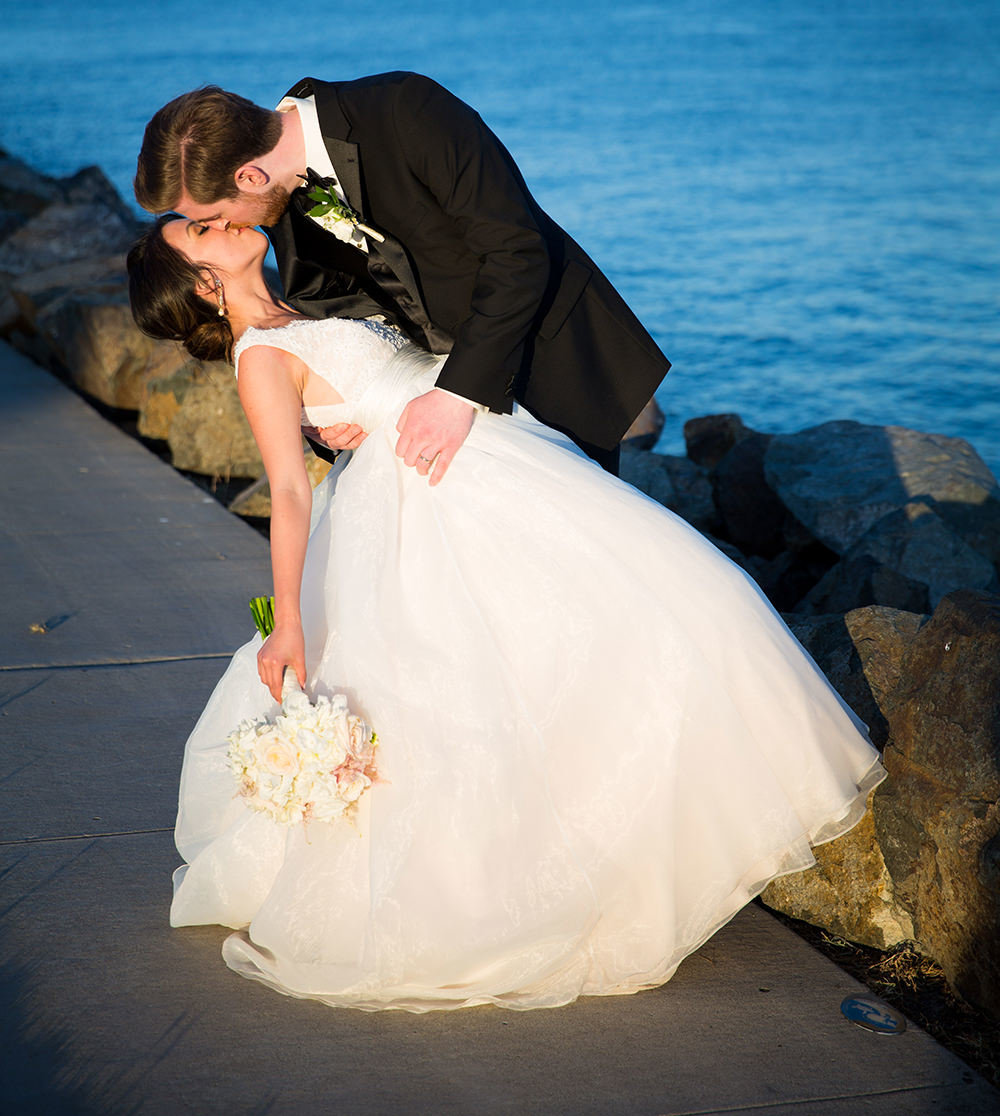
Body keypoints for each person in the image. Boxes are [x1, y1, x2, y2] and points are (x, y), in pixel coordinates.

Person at [126, 214, 886, 1014]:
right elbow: (285, 490)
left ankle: (642, 834)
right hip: (426, 507)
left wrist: (359, 417)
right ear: (204, 286)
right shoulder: (260, 357)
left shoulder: (297, 311)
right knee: (498, 687)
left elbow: (373, 377)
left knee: (660, 608)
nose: (222, 217)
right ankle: (549, 878)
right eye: (201, 230)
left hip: (479, 458)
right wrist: (288, 621)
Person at [133, 72, 670, 477]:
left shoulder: (406, 110)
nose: (222, 225)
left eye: (210, 217)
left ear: (249, 175)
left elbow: (517, 253)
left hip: (549, 359)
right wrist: (329, 420)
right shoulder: (274, 197)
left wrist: (455, 396)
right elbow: (342, 316)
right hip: (431, 412)